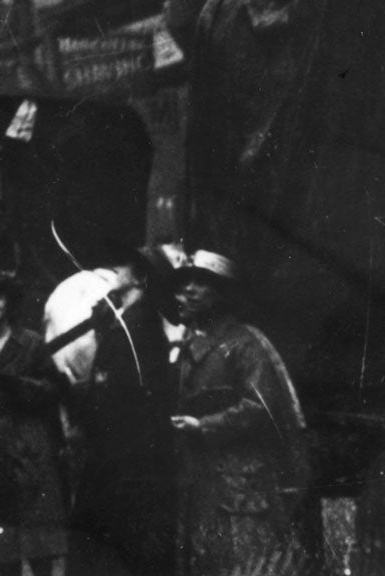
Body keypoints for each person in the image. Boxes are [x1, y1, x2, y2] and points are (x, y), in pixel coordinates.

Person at [170, 250, 311, 576]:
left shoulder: (246, 343)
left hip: (240, 484)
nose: (189, 290)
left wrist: (202, 425)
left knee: (244, 564)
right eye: (186, 282)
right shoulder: (189, 343)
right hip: (199, 478)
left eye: (202, 283)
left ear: (223, 294)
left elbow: (260, 406)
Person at [63, 247, 176, 576]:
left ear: (140, 278)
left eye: (125, 266)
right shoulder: (126, 320)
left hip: (124, 459)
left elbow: (121, 392)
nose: (117, 268)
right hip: (113, 454)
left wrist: (78, 400)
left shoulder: (140, 325)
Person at [0, 270, 69, 576]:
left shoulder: (31, 344)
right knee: (5, 547)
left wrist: (19, 385)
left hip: (31, 451)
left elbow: (55, 390)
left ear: (9, 302)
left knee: (39, 546)